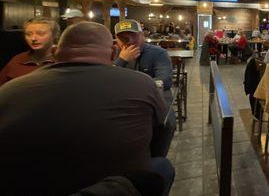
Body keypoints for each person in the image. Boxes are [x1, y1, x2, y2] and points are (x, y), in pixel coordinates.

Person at [0, 22, 175, 196]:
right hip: (118, 185)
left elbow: (164, 79)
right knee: (161, 164)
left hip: (25, 186)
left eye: (132, 35)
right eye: (122, 36)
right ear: (113, 48)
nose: (127, 40)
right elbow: (164, 126)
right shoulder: (140, 81)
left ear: (54, 53)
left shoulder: (10, 89)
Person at [113, 19, 173, 90]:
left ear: (142, 36)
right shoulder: (111, 53)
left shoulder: (158, 52)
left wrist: (134, 88)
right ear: (116, 39)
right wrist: (122, 60)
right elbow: (106, 80)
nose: (130, 41)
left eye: (134, 36)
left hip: (148, 98)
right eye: (123, 38)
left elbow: (165, 80)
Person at [0, 17, 60, 86]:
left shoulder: (63, 60)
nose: (33, 38)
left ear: (55, 35)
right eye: (28, 34)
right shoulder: (17, 60)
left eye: (40, 34)